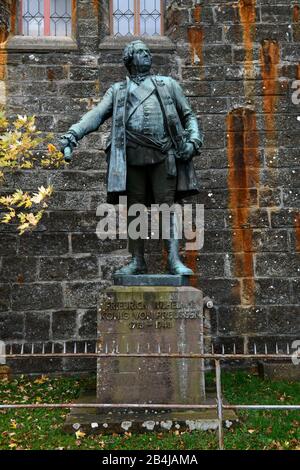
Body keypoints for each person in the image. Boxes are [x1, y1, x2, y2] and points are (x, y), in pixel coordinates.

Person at [59, 40, 203, 276]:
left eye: (148, 52)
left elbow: (189, 116)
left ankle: (174, 260)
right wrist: (73, 134)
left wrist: (193, 142)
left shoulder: (167, 85)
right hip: (132, 157)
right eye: (140, 52)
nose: (146, 55)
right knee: (134, 210)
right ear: (129, 59)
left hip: (163, 155)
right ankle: (137, 260)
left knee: (167, 208)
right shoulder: (118, 91)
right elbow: (95, 115)